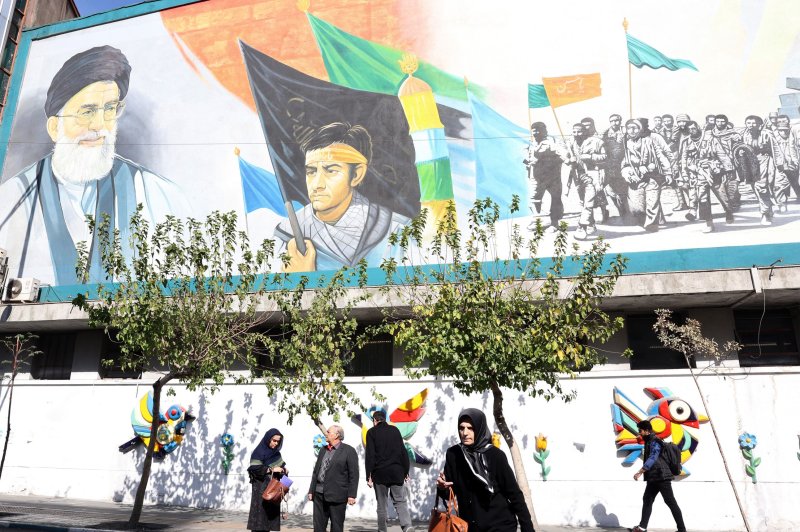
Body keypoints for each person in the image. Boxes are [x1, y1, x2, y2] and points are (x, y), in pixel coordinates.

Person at [0, 45, 186, 286]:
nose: (100, 125)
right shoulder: (11, 199)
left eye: (109, 109)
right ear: (55, 127)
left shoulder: (157, 194)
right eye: (87, 111)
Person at [275, 122, 409, 272]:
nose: (317, 184)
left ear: (357, 174)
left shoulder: (397, 231)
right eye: (311, 172)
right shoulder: (286, 236)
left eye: (331, 171)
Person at [436, 408, 534, 532]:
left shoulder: (495, 456)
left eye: (470, 428)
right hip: (470, 526)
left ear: (480, 428)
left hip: (500, 525)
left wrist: (528, 528)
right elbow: (449, 493)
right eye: (461, 428)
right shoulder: (454, 454)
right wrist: (442, 487)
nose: (465, 433)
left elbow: (515, 495)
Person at [629, 419, 687, 532]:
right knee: (647, 499)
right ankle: (642, 527)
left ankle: (682, 529)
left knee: (670, 501)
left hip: (661, 476)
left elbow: (653, 457)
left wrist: (641, 471)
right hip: (653, 477)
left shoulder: (655, 441)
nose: (639, 432)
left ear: (646, 430)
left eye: (640, 430)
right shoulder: (649, 441)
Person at [365, 410, 414, 532]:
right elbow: (403, 452)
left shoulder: (371, 432)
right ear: (384, 419)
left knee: (382, 505)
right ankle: (407, 526)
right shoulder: (395, 430)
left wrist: (368, 475)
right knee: (400, 501)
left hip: (380, 473)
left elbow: (370, 455)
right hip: (397, 472)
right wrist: (406, 471)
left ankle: (382, 530)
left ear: (375, 421)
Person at [621, 119, 672, 232]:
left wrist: (668, 172)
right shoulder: (625, 144)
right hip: (635, 178)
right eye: (629, 128)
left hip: (652, 176)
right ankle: (644, 220)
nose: (632, 130)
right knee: (636, 209)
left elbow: (661, 156)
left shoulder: (649, 141)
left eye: (635, 128)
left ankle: (651, 224)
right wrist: (628, 174)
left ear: (640, 129)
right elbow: (624, 163)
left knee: (652, 202)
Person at [307, 425, 359, 532]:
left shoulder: (349, 451)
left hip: (337, 495)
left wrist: (352, 495)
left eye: (329, 431)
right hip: (319, 494)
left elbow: (354, 474)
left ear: (337, 435)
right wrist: (311, 490)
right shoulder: (323, 450)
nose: (326, 433)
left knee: (336, 527)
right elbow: (316, 471)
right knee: (318, 527)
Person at [564, 123, 607, 239]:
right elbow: (564, 156)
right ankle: (591, 224)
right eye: (574, 132)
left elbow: (605, 156)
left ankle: (581, 226)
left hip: (592, 174)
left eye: (579, 132)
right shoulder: (570, 142)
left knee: (589, 201)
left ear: (584, 132)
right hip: (577, 176)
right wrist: (568, 159)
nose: (576, 134)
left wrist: (590, 156)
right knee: (584, 201)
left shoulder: (596, 142)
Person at [524, 122, 565, 230]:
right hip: (536, 176)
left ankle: (554, 223)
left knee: (555, 199)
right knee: (534, 199)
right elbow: (527, 157)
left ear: (545, 131)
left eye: (539, 130)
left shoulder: (552, 142)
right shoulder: (531, 143)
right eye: (534, 131)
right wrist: (528, 162)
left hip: (552, 176)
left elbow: (563, 157)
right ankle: (536, 220)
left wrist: (544, 160)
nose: (536, 133)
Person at [247, 429, 287, 532]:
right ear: (268, 439)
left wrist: (284, 470)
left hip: (273, 491)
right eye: (274, 440)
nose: (276, 443)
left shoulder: (276, 454)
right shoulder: (258, 452)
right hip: (261, 491)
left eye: (278, 441)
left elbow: (282, 470)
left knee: (269, 522)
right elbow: (254, 469)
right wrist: (270, 469)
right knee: (260, 520)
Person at [602, 113, 629, 219]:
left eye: (616, 120)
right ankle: (619, 210)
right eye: (612, 121)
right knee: (610, 189)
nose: (614, 123)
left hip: (623, 162)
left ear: (620, 121)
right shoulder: (605, 133)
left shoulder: (625, 131)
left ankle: (625, 212)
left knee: (623, 189)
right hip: (610, 165)